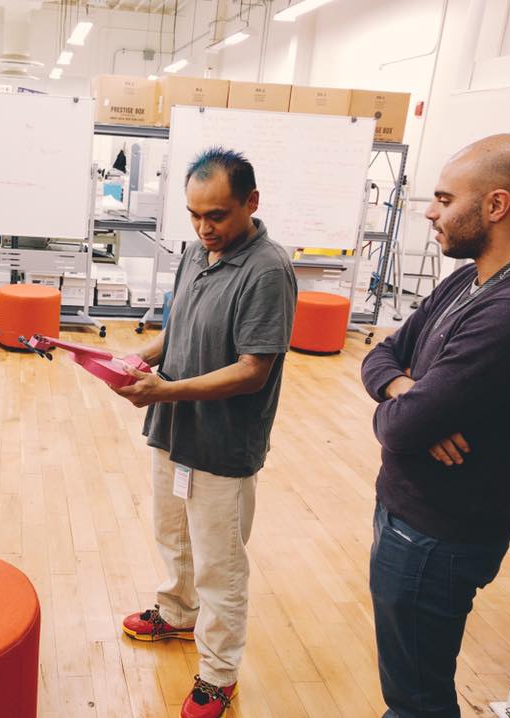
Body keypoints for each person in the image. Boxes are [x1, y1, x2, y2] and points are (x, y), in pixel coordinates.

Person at [361, 134, 510, 717]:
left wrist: (410, 410)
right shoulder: (472, 277)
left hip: (439, 536)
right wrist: (407, 389)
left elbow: (401, 429)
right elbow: (381, 355)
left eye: (444, 198)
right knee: (406, 684)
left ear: (496, 205)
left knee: (417, 699)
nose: (430, 211)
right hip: (408, 512)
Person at [112, 147, 297, 718]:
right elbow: (177, 328)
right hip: (174, 429)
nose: (203, 228)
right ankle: (177, 613)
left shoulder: (268, 271)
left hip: (223, 445)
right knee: (173, 534)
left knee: (221, 563)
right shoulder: (196, 252)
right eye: (194, 215)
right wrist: (136, 358)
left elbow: (251, 370)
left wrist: (164, 390)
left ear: (251, 203)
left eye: (216, 215)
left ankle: (219, 673)